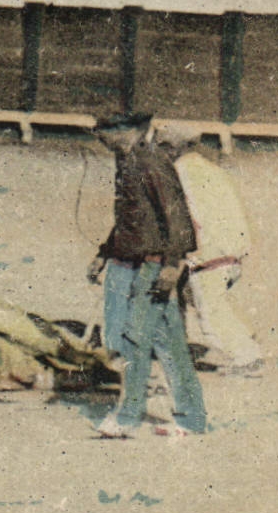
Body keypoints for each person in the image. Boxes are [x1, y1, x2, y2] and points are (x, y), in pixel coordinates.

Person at [85, 111, 206, 438]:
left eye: (103, 130)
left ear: (126, 130)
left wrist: (172, 264)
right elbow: (133, 220)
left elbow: (177, 215)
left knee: (134, 339)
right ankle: (192, 419)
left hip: (153, 265)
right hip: (135, 262)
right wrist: (104, 253)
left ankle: (127, 417)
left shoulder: (151, 161)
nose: (97, 136)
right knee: (167, 342)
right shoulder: (126, 161)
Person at [153, 123, 262, 374]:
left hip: (209, 253)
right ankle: (247, 346)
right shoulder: (210, 170)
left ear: (174, 147)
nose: (160, 150)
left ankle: (248, 359)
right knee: (213, 305)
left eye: (162, 145)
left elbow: (186, 216)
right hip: (230, 252)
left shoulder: (180, 172)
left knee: (211, 314)